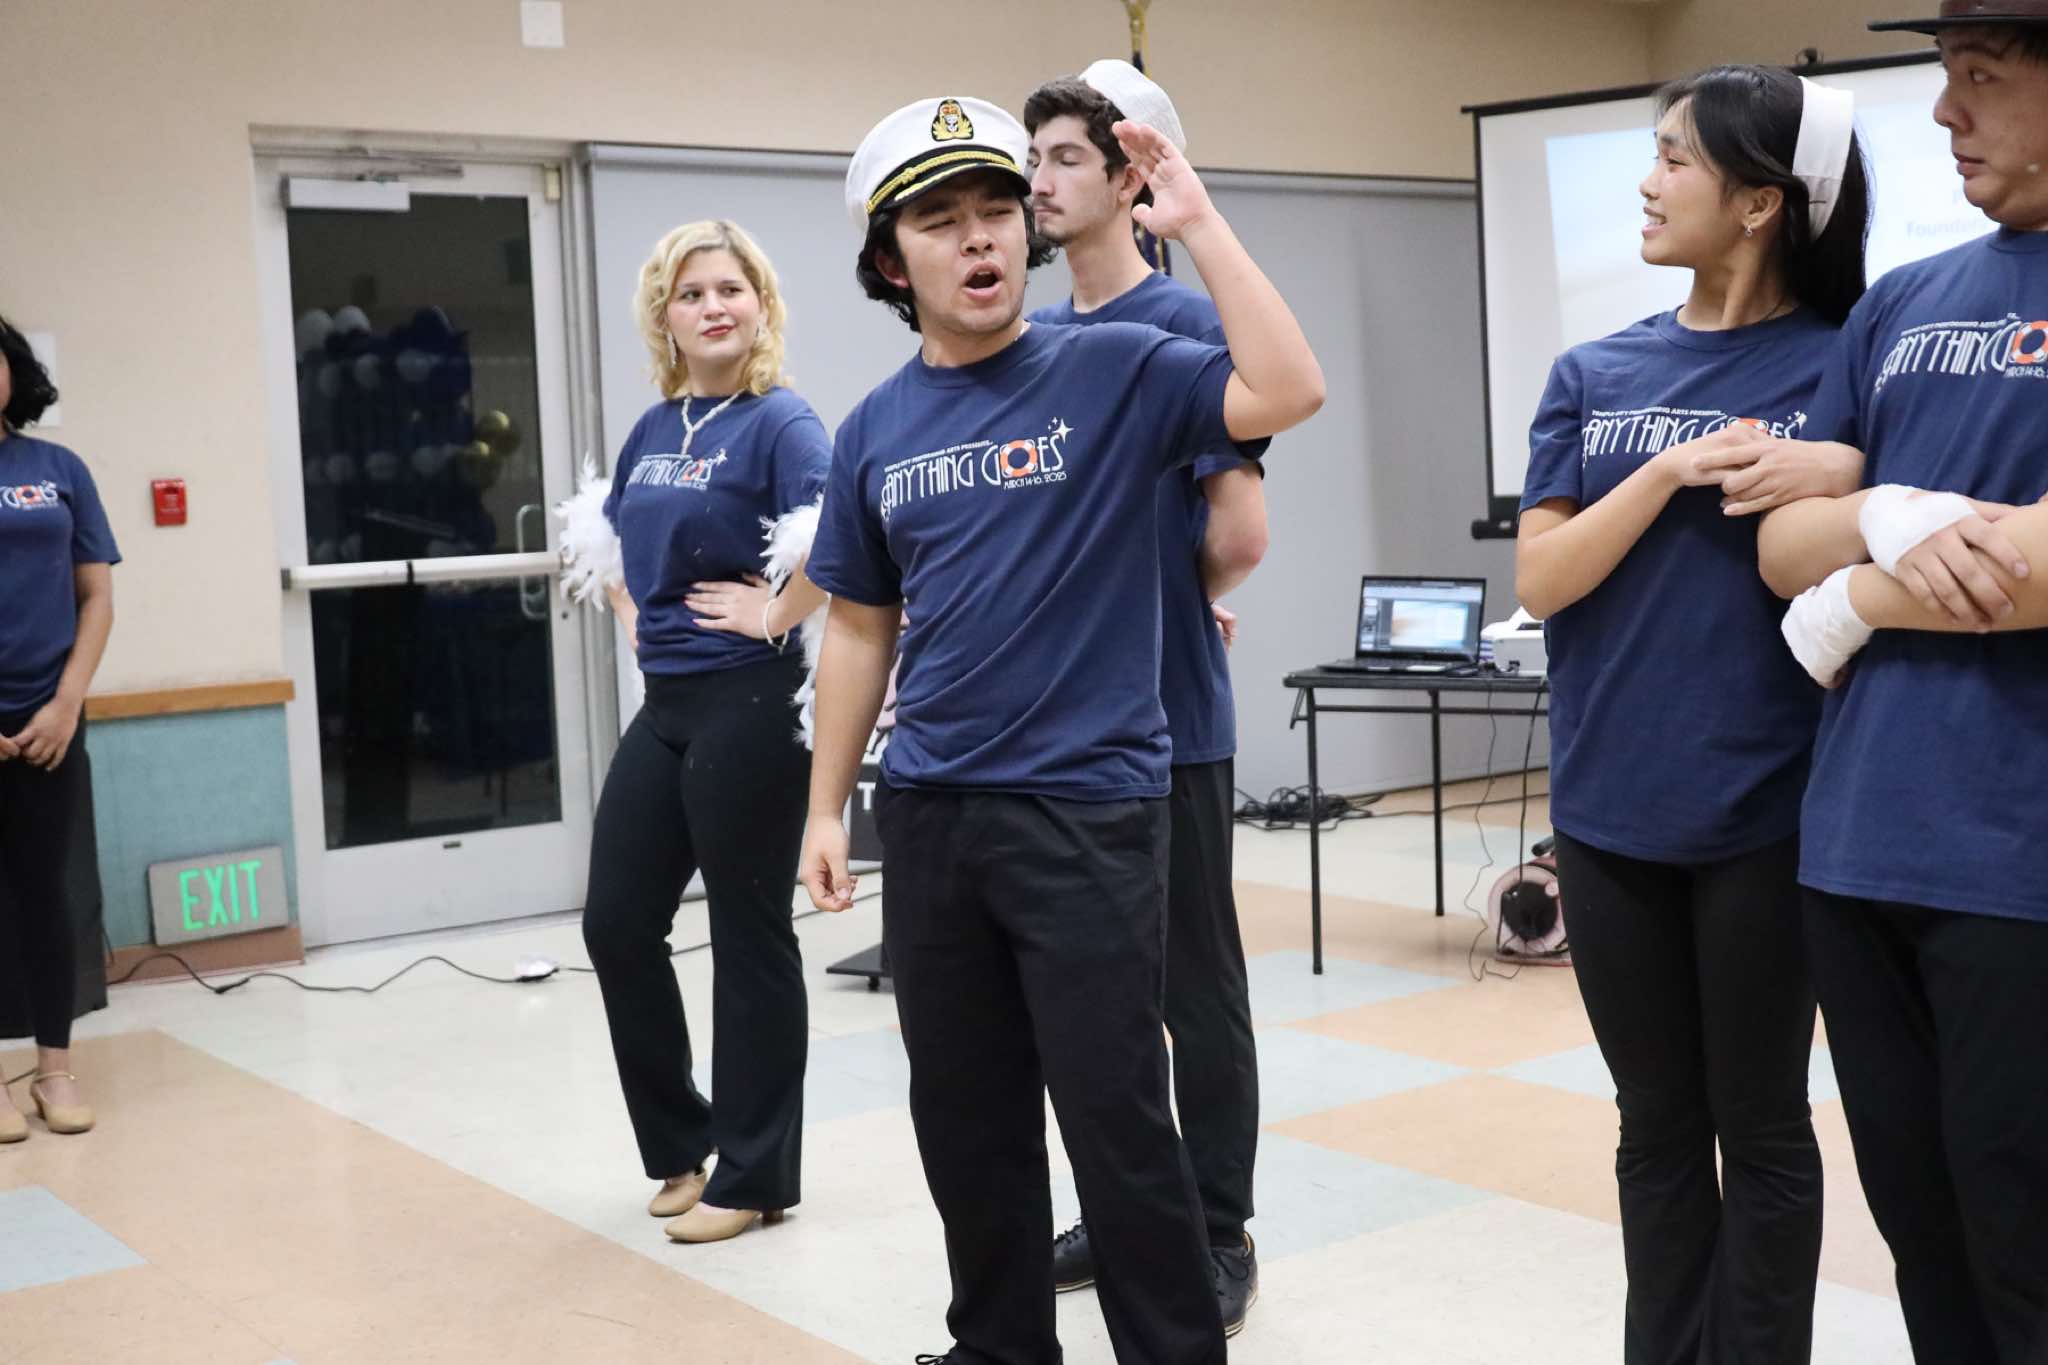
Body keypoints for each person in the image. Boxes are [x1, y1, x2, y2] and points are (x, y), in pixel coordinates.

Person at [799, 94, 1321, 1365]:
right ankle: (998, 1347)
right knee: (964, 1119)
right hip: (931, 812)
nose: (979, 237)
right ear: (890, 263)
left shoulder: (1118, 368)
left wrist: (1198, 226)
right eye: (940, 222)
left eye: (996, 212)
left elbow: (1287, 387)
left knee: (1116, 1117)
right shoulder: (873, 429)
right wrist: (823, 806)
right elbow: (859, 627)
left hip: (1086, 809)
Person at [1513, 67, 1872, 1364]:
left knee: (1763, 1124)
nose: (1647, 182)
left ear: (1760, 202)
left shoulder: (1844, 361)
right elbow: (1542, 580)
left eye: (1674, 159)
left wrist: (1837, 464)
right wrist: (1666, 469)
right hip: (1608, 810)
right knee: (1654, 1127)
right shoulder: (1595, 369)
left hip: (1772, 813)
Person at [1758, 6, 2048, 1359]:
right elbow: (1782, 543)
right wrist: (1883, 515)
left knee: (2022, 1243)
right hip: (1860, 846)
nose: (1944, 112)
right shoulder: (1901, 302)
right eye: (1944, 77)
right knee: (1925, 1240)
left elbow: (2031, 573)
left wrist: (1859, 587)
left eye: (1979, 79)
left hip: (2020, 860)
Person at [1021, 60, 1268, 1336]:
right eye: (1032, 160)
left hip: (1165, 716)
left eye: (1065, 158)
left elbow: (1240, 532)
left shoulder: (1179, 327)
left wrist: (1161, 597)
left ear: (1127, 181)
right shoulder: (1026, 336)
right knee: (1091, 995)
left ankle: (1215, 1226)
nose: (1038, 181)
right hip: (1052, 731)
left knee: (1192, 988)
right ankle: (1122, 1208)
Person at [559, 220, 829, 1245]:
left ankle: (756, 1176)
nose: (714, 306)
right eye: (691, 293)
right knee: (616, 923)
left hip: (751, 700)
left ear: (760, 305)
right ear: (663, 317)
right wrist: (637, 615)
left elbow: (845, 536)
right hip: (668, 703)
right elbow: (613, 537)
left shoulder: (782, 422)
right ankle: (682, 1145)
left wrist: (773, 612)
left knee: (750, 934)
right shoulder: (656, 427)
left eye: (731, 288)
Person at [0, 313, 119, 1143]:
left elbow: (96, 595)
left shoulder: (59, 469)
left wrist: (67, 702)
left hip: (49, 718)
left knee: (47, 893)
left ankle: (54, 1070)